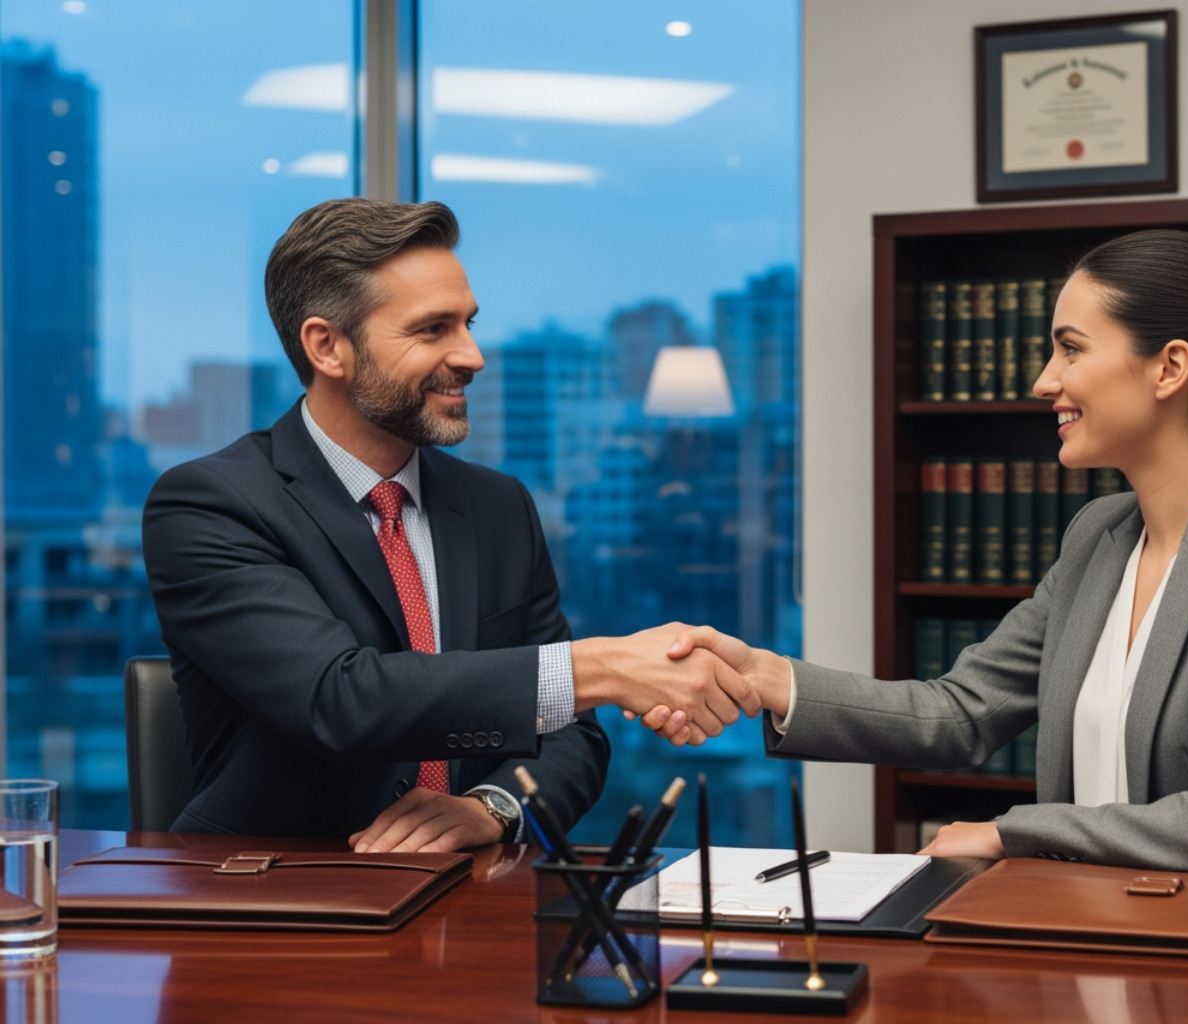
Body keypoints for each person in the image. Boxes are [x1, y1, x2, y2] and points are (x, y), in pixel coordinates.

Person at [649, 229, 1188, 873]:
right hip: (1096, 925)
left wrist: (1009, 835)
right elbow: (960, 712)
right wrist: (769, 677)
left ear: (1169, 368)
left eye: (1070, 349)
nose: (1044, 381)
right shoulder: (1099, 535)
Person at [142, 198, 757, 853]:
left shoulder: (498, 507)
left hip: (466, 903)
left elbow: (572, 734)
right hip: (276, 907)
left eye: (467, 324)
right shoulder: (210, 503)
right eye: (433, 329)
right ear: (327, 347)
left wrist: (492, 807)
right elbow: (341, 699)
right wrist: (602, 666)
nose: (473, 356)